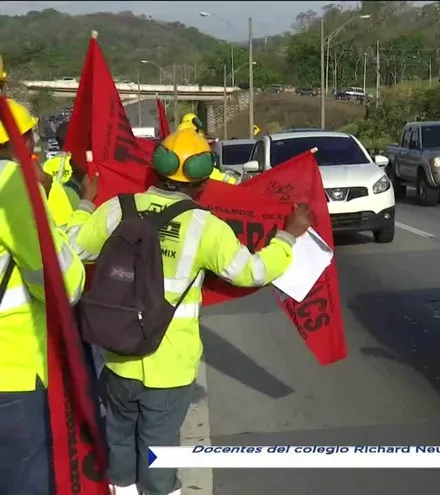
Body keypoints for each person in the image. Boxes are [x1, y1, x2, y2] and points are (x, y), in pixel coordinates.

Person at [65, 128, 311, 495]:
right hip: (169, 367)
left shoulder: (116, 208)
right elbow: (252, 272)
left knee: (120, 448)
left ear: (157, 171)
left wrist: (85, 203)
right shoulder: (204, 226)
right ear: (203, 184)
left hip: (117, 358)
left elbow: (72, 248)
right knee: (158, 458)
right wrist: (287, 237)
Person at [0, 98, 87, 495]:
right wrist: (41, 193)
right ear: (20, 142)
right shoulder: (11, 184)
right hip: (12, 371)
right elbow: (63, 284)